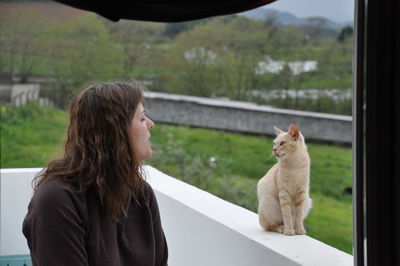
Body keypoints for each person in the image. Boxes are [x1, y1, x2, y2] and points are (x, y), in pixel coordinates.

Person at [22, 82, 168, 266]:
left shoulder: (141, 193)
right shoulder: (56, 200)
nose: (151, 124)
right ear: (115, 131)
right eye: (141, 118)